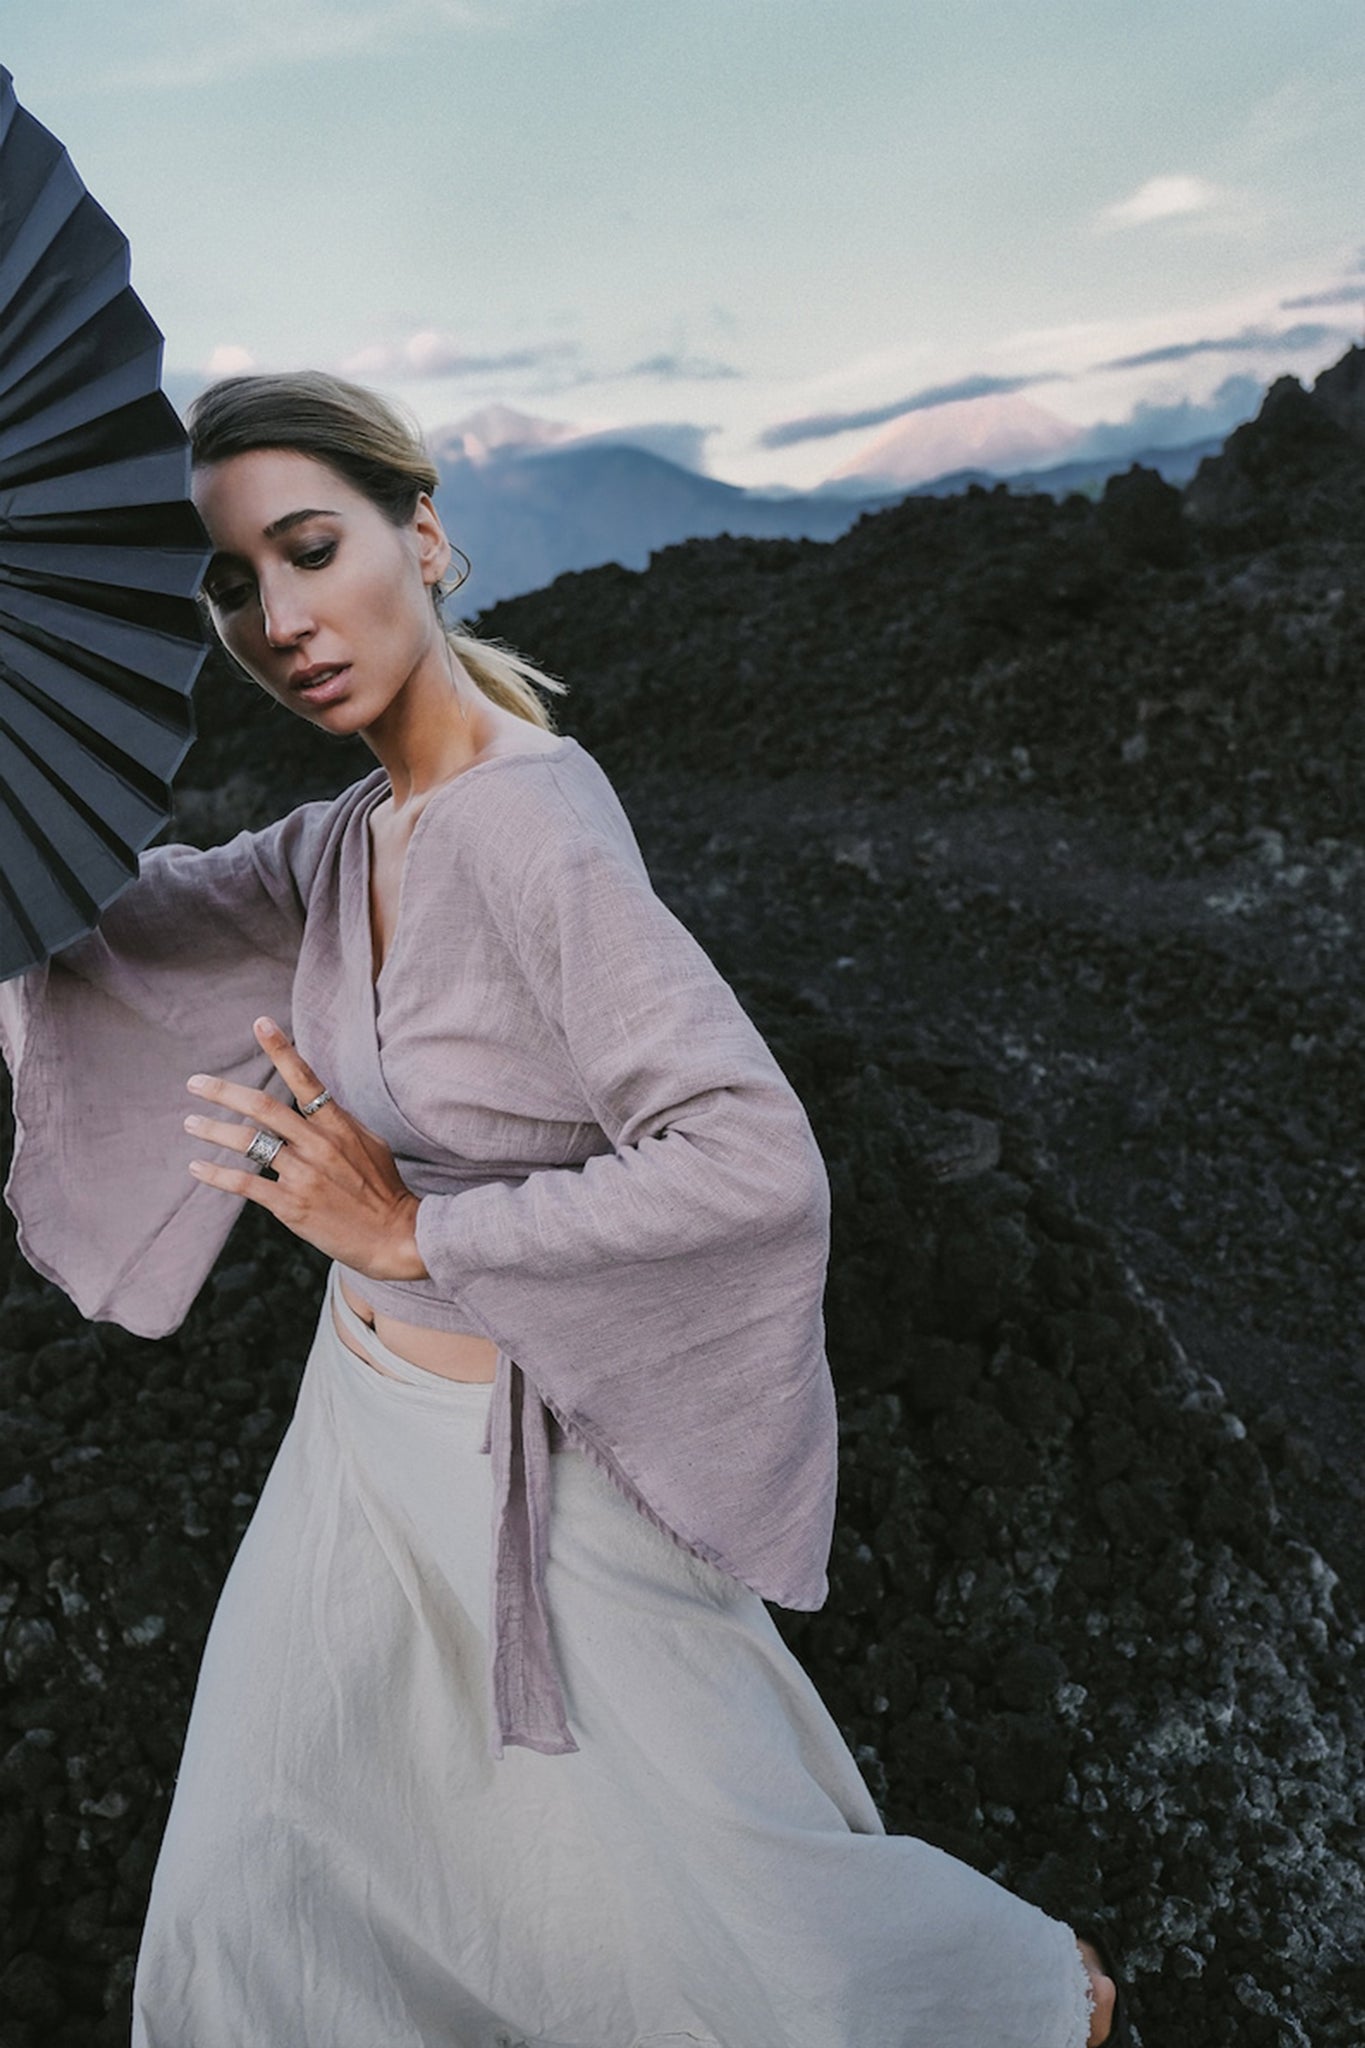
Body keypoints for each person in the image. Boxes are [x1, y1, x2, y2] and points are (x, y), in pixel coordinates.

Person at [0, 372, 1121, 2048]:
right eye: (233, 584)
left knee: (729, 1924)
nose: (281, 618)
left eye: (312, 548)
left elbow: (752, 1158)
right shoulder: (360, 830)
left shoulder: (528, 826)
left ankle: (1039, 2005)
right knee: (265, 1874)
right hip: (362, 1458)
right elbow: (134, 927)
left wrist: (413, 1236)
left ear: (426, 536)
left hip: (540, 1486)